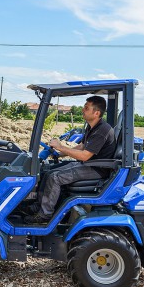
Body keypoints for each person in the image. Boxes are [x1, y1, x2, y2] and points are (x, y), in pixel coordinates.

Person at [25, 95, 116, 224]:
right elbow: (82, 146)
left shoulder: (102, 130)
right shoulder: (92, 126)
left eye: (86, 108)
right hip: (89, 164)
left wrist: (61, 146)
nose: (82, 110)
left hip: (97, 169)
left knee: (55, 178)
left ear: (96, 113)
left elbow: (85, 155)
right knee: (48, 172)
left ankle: (45, 215)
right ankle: (40, 205)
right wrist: (60, 153)